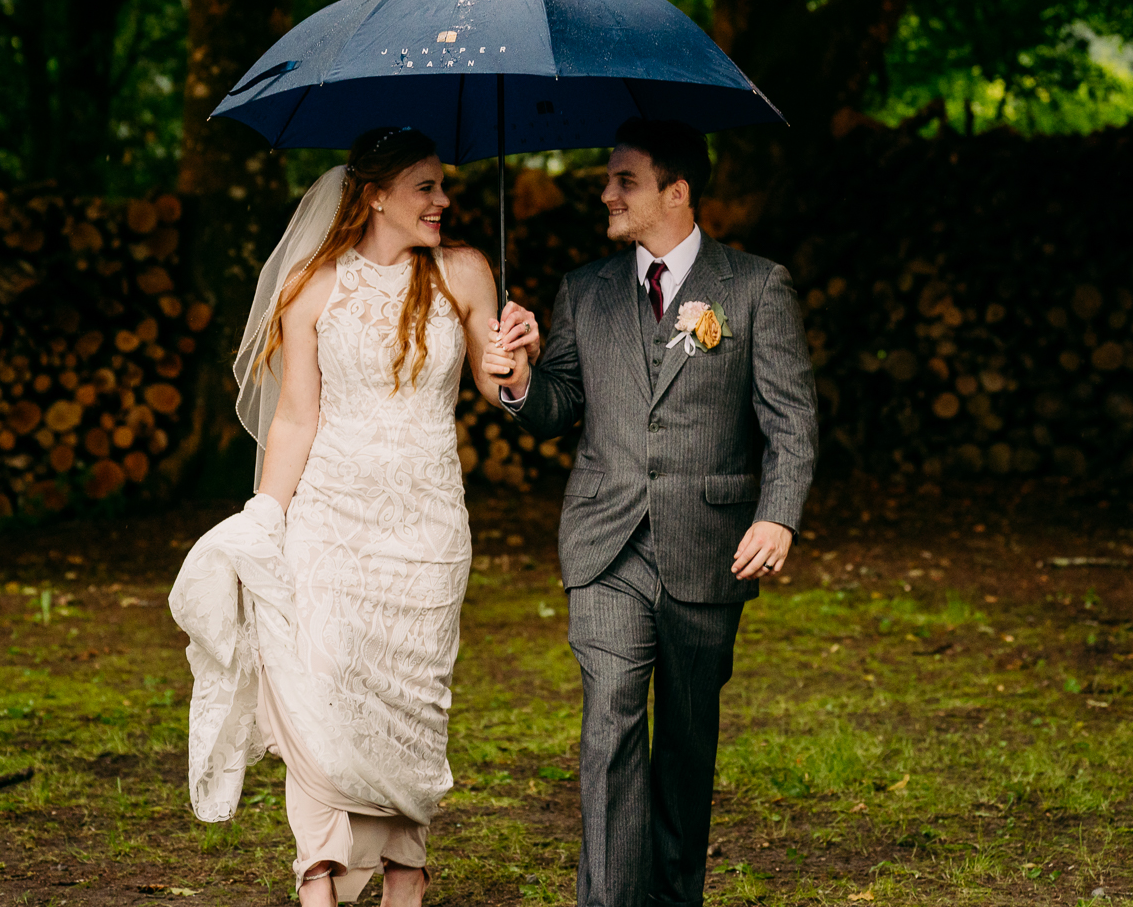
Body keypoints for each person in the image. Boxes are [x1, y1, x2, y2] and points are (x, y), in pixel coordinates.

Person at [171, 125, 533, 907]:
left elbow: (499, 389)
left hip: (429, 530)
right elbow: (296, 419)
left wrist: (517, 358)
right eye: (425, 187)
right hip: (333, 524)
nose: (443, 200)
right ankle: (320, 879)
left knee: (412, 709)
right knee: (323, 690)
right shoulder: (313, 285)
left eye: (444, 185)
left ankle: (406, 876)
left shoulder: (467, 272)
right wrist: (266, 517)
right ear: (374, 195)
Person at [494, 117, 818, 907]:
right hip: (605, 545)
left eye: (624, 180)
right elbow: (557, 405)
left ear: (677, 192)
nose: (605, 192)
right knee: (609, 720)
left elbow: (791, 420)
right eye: (608, 178)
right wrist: (519, 378)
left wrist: (777, 516)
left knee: (683, 743)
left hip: (708, 544)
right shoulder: (585, 290)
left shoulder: (755, 287)